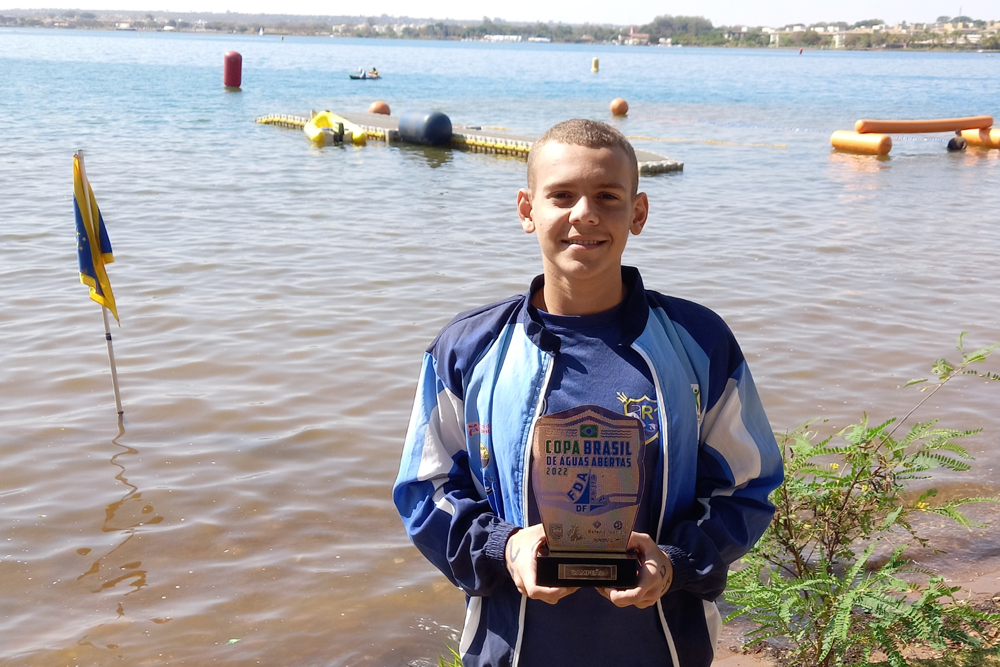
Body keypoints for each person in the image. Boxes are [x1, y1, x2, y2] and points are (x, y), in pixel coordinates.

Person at [393, 119, 783, 667]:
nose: (585, 214)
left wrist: (671, 562)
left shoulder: (699, 343)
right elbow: (424, 488)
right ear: (527, 210)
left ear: (638, 212)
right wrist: (506, 548)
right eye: (561, 196)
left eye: (607, 196)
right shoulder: (468, 349)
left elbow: (748, 485)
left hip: (663, 649)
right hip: (514, 650)